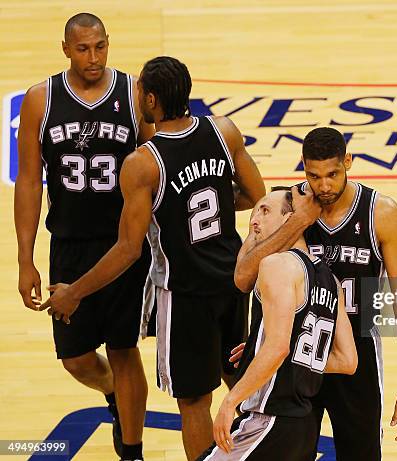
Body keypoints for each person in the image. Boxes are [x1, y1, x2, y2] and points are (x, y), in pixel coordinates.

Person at [39, 55, 266, 461]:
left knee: (194, 401)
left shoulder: (142, 164)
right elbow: (255, 196)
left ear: (151, 99)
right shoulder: (223, 131)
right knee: (241, 379)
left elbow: (128, 249)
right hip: (233, 281)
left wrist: (75, 291)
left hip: (186, 293)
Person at [15, 13, 155, 461]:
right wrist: (24, 258)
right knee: (75, 358)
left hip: (126, 246)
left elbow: (157, 165)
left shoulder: (134, 95)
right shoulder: (42, 99)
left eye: (99, 47)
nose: (93, 58)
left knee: (123, 348)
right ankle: (116, 395)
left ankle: (132, 450)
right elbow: (30, 182)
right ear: (65, 49)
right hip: (70, 246)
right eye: (82, 49)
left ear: (108, 43)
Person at [233, 127, 397, 460]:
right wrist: (297, 222)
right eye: (313, 175)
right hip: (299, 353)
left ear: (348, 162)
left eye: (333, 174)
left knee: (361, 453)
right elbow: (244, 278)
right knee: (290, 452)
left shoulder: (381, 213)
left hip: (356, 352)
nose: (323, 186)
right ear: (303, 167)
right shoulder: (286, 205)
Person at [198, 189, 357, 461]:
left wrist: (230, 401)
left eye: (265, 210)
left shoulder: (276, 264)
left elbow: (278, 348)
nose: (254, 220)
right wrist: (262, 347)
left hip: (268, 420)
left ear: (291, 219)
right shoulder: (330, 280)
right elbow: (347, 360)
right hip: (303, 428)